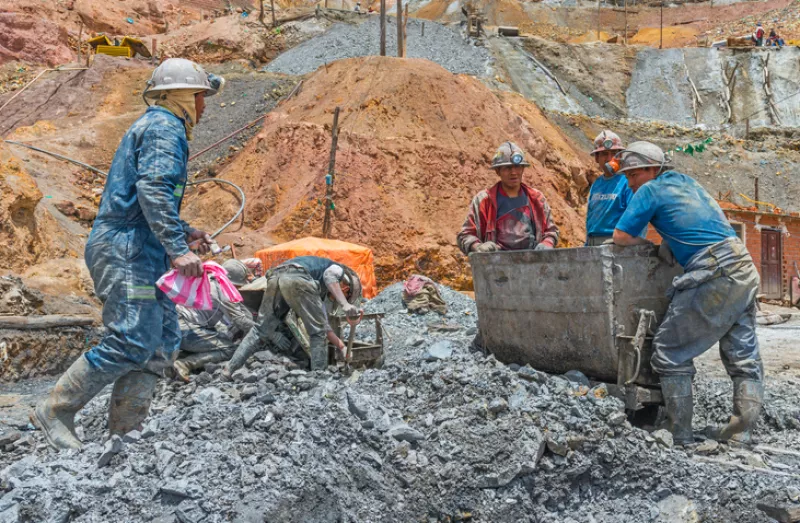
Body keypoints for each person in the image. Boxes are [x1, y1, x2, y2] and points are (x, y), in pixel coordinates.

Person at [32, 58, 225, 450]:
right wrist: (177, 248)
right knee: (133, 337)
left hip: (142, 251)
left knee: (162, 341)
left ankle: (125, 433)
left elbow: (146, 197)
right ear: (184, 95)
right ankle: (55, 409)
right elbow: (153, 189)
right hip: (127, 253)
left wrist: (183, 231)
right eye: (201, 97)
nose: (204, 106)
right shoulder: (165, 128)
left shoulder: (161, 127)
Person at [612, 141, 763, 446]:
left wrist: (650, 245)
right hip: (742, 266)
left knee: (669, 350)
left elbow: (621, 236)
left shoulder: (650, 190)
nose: (629, 182)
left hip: (714, 272)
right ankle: (741, 433)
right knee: (742, 355)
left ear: (652, 169)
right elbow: (696, 222)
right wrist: (671, 242)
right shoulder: (687, 183)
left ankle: (677, 431)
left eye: (633, 174)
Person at [224, 256, 363, 374]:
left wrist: (342, 347)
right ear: (346, 287)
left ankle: (228, 370)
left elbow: (324, 325)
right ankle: (320, 377)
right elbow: (329, 276)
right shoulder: (337, 269)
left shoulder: (317, 285)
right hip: (298, 276)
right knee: (317, 334)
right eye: (346, 295)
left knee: (259, 330)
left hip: (275, 276)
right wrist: (345, 304)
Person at [457, 141, 559, 255]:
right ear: (498, 171)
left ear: (523, 169)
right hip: (497, 264)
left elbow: (551, 231)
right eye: (507, 168)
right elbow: (465, 235)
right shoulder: (484, 201)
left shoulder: (536, 199)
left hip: (532, 262)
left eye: (517, 167)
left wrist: (547, 244)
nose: (513, 172)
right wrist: (478, 247)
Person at [172, 259, 256, 382]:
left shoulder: (208, 279)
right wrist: (262, 332)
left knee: (218, 337)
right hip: (185, 330)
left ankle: (175, 361)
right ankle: (185, 364)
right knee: (230, 349)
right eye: (238, 286)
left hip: (175, 326)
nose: (238, 288)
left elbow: (239, 311)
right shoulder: (223, 290)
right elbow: (241, 320)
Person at [585, 130, 634, 246]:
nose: (609, 158)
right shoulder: (597, 184)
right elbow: (590, 217)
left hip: (615, 244)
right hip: (593, 242)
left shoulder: (628, 182)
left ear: (620, 156)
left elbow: (634, 218)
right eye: (604, 154)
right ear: (596, 158)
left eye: (614, 153)